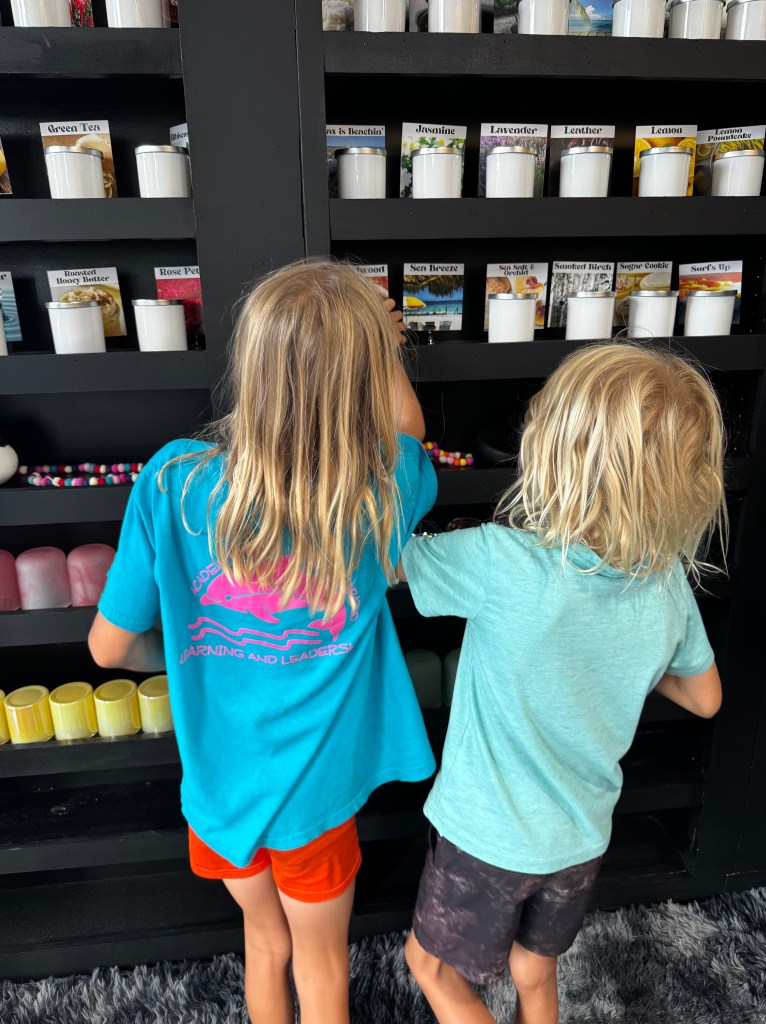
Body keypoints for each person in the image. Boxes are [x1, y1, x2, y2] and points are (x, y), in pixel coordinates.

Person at [88, 257, 438, 1024]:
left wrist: (183, 654)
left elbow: (109, 650)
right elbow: (410, 430)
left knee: (264, 942)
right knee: (322, 966)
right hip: (315, 805)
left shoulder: (171, 480)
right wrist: (383, 347)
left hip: (218, 796)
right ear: (365, 380)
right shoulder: (380, 491)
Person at [400, 341, 726, 1024]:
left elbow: (380, 561)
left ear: (555, 451)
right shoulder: (667, 579)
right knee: (533, 968)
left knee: (428, 966)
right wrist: (617, 663)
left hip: (487, 835)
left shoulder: (501, 560)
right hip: (579, 838)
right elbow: (705, 697)